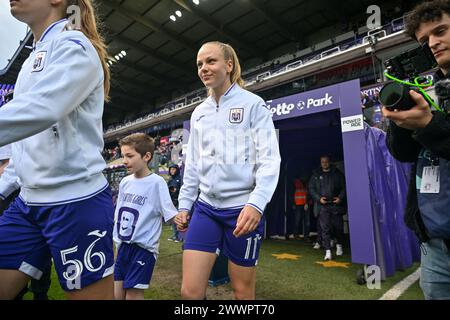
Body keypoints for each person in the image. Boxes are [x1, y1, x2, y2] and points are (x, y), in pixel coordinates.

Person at [0, 0, 115, 299]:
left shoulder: (74, 44)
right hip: (28, 204)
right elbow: (27, 144)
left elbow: (42, 109)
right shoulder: (31, 59)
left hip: (75, 202)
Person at [174, 41, 281, 300]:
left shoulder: (254, 104)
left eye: (211, 61)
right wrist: (184, 204)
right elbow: (193, 164)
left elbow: (270, 159)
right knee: (190, 292)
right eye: (200, 64)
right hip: (206, 209)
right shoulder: (199, 113)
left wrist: (256, 204)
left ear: (229, 65)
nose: (204, 68)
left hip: (242, 211)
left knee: (242, 293)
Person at [382, 0, 450, 300]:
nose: (433, 43)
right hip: (434, 242)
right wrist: (401, 117)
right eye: (425, 40)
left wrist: (428, 124)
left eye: (441, 31)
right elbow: (403, 154)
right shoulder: (427, 90)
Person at [113, 133, 177, 300]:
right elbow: (118, 213)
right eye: (122, 156)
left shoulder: (157, 182)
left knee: (133, 295)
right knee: (116, 294)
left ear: (147, 156)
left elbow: (170, 214)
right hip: (123, 247)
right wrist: (117, 242)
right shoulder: (125, 182)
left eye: (129, 156)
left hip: (143, 249)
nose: (124, 161)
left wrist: (183, 220)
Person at [308, 156, 346, 261]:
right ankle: (328, 251)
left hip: (335, 205)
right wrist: (318, 199)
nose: (324, 164)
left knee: (338, 227)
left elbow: (344, 187)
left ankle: (339, 245)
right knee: (325, 229)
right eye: (322, 162)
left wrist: (340, 198)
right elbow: (311, 188)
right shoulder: (316, 174)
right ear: (320, 163)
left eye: (326, 162)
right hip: (323, 206)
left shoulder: (337, 173)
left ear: (329, 162)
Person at [287, 177, 311, 242]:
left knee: (307, 222)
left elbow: (310, 194)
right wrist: (293, 204)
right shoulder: (295, 182)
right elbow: (291, 194)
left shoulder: (309, 183)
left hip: (306, 205)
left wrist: (307, 203)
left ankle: (306, 237)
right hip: (297, 205)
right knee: (297, 221)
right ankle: (296, 235)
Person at [167, 164, 183, 242]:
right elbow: (168, 190)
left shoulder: (180, 179)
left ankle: (180, 237)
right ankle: (175, 235)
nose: (172, 171)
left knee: (180, 219)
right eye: (171, 169)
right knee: (174, 220)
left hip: (179, 201)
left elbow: (181, 190)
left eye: (174, 169)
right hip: (172, 201)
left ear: (177, 170)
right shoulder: (170, 179)